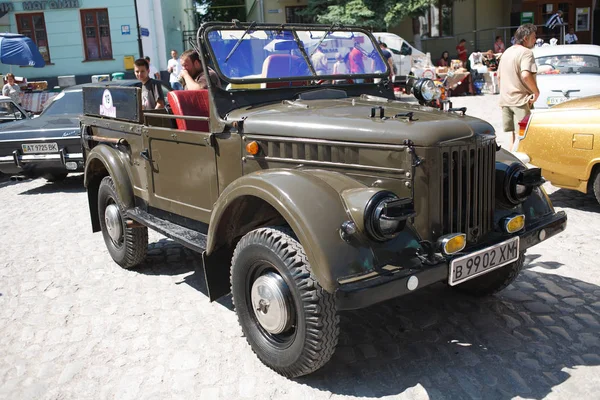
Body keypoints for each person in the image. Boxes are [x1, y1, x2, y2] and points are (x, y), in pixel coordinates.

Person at [498, 23, 539, 151]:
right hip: (520, 101)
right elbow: (526, 75)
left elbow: (499, 77)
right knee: (524, 137)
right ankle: (519, 166)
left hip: (506, 100)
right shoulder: (526, 53)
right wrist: (536, 92)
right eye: (534, 37)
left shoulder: (506, 52)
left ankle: (512, 162)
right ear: (525, 38)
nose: (535, 40)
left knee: (514, 138)